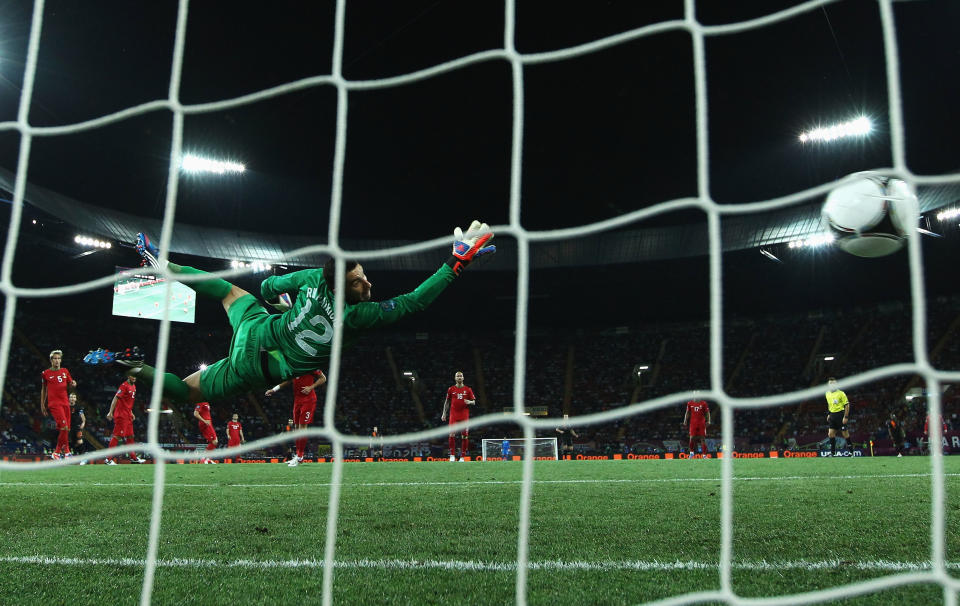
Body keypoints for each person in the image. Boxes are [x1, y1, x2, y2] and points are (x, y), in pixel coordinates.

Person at [84, 222, 495, 405]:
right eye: (359, 283)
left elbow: (265, 287)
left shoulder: (315, 278)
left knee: (227, 290)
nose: (367, 286)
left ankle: (163, 268)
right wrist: (454, 264)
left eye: (364, 278)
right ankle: (134, 366)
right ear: (341, 286)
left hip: (257, 326)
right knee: (189, 393)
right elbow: (415, 301)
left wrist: (287, 304)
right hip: (259, 367)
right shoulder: (359, 316)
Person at [265, 370, 326, 467]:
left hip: (309, 400)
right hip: (297, 400)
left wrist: (311, 387)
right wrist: (274, 389)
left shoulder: (311, 365)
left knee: (302, 428)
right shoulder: (294, 366)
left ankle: (299, 456)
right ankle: (298, 456)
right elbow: (288, 381)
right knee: (297, 429)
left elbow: (323, 378)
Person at [40, 349, 76, 460]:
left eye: (59, 358)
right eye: (55, 358)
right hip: (54, 404)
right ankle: (60, 452)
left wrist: (73, 384)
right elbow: (43, 390)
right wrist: (42, 405)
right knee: (64, 427)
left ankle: (63, 453)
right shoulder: (45, 373)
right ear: (51, 360)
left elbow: (70, 384)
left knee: (66, 429)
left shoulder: (65, 371)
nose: (57, 361)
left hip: (65, 403)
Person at [105, 375, 146, 464]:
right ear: (128, 376)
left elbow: (127, 402)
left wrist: (131, 412)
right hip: (121, 415)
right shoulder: (124, 386)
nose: (134, 377)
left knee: (130, 436)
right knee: (117, 436)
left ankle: (133, 458)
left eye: (135, 376)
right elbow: (116, 398)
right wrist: (110, 412)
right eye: (132, 376)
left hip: (127, 415)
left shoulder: (134, 386)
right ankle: (108, 459)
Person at [441, 371, 476, 462]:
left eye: (461, 376)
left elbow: (474, 402)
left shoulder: (468, 389)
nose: (459, 377)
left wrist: (469, 402)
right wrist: (444, 413)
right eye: (458, 376)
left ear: (463, 378)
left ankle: (462, 457)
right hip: (453, 415)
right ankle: (452, 455)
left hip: (464, 415)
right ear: (455, 378)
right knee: (451, 434)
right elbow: (447, 402)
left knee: (464, 436)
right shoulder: (451, 389)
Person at [824, 377, 852, 457]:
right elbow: (830, 404)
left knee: (845, 434)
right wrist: (829, 414)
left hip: (840, 414)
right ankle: (833, 453)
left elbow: (847, 405)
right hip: (832, 416)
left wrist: (846, 417)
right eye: (830, 384)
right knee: (830, 434)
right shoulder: (827, 393)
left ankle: (851, 452)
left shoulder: (841, 393)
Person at [69, 393, 87, 464]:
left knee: (79, 441)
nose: (72, 398)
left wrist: (83, 423)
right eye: (71, 397)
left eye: (73, 397)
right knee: (73, 443)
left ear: (75, 399)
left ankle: (83, 457)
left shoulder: (78, 407)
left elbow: (83, 417)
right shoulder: (66, 406)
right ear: (69, 398)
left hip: (77, 426)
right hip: (69, 427)